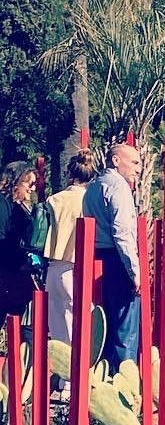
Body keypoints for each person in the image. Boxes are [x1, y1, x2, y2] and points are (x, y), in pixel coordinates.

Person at [83, 141, 143, 371]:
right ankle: (124, 381)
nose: (138, 169)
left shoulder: (93, 187)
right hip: (117, 259)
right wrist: (134, 272)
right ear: (116, 161)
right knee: (125, 326)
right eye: (134, 162)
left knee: (104, 325)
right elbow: (122, 232)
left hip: (96, 257)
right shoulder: (118, 187)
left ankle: (103, 377)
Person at [39, 149, 99, 378]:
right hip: (76, 267)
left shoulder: (54, 199)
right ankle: (78, 380)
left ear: (69, 173)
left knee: (58, 329)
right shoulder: (90, 201)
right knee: (82, 327)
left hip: (53, 266)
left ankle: (63, 380)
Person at [0, 161, 42, 317]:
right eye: (29, 184)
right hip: (7, 271)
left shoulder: (17, 205)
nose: (33, 189)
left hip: (14, 271)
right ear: (16, 182)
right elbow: (2, 241)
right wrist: (22, 262)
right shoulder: (3, 204)